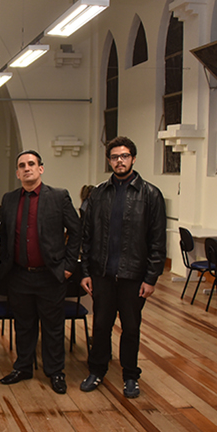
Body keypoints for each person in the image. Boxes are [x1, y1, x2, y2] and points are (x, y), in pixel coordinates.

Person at [80, 136, 166, 399]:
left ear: (133, 159)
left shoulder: (150, 194)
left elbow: (157, 240)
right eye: (115, 157)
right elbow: (87, 236)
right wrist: (86, 272)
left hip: (133, 276)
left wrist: (151, 278)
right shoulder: (98, 194)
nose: (120, 161)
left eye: (125, 156)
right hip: (103, 274)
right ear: (109, 161)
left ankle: (130, 376)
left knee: (130, 328)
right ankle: (96, 371)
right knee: (101, 326)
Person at [0, 150, 81, 393]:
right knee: (23, 325)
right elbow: (4, 235)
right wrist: (6, 263)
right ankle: (23, 367)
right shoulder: (10, 199)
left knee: (53, 327)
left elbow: (76, 231)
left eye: (31, 164)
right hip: (19, 274)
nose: (27, 168)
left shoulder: (58, 196)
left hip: (50, 274)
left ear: (40, 168)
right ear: (17, 173)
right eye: (22, 165)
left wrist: (68, 266)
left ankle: (55, 372)